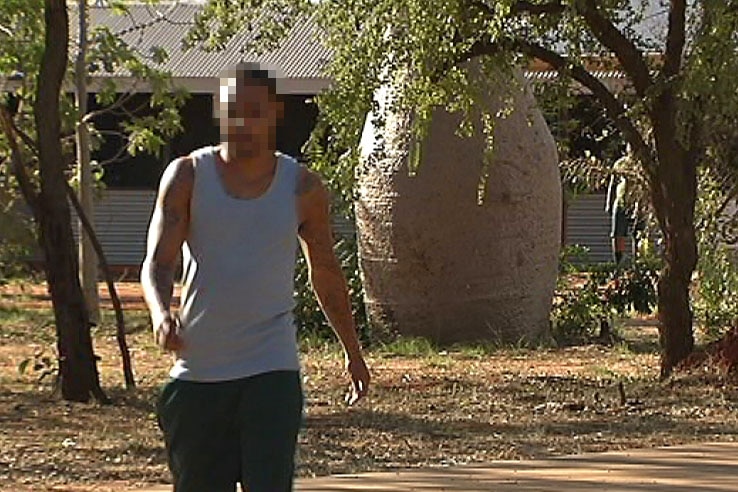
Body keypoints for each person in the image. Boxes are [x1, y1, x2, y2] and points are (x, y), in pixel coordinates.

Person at [140, 62, 370, 492]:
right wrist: (160, 313)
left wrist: (352, 351)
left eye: (255, 111)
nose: (244, 122)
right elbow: (158, 262)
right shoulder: (188, 176)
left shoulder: (302, 188)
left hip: (271, 369)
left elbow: (326, 270)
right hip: (199, 371)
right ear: (219, 113)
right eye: (234, 111)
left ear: (275, 113)